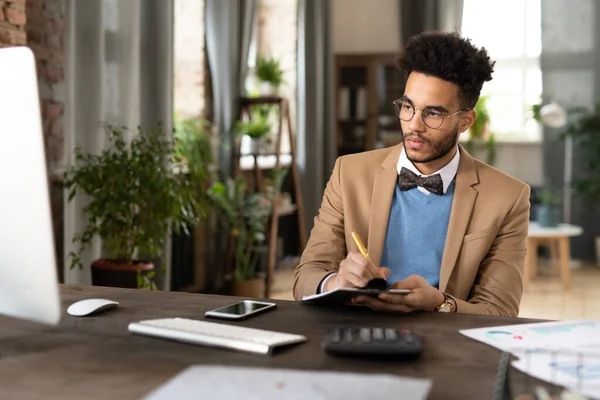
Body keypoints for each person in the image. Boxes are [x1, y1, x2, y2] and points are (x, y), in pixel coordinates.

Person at [293, 31, 530, 317]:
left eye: (433, 113)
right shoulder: (349, 173)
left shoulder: (508, 197)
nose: (413, 125)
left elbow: (500, 311)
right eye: (407, 107)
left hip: (448, 344)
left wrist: (441, 303)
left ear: (466, 121)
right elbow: (305, 277)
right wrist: (334, 282)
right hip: (356, 333)